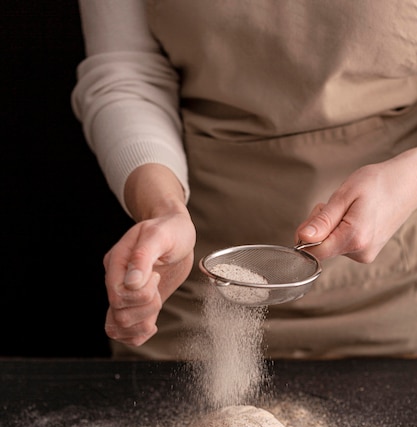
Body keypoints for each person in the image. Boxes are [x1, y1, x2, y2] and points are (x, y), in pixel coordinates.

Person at [71, 0, 417, 360]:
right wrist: (163, 208)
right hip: (196, 286)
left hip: (395, 289)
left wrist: (410, 179)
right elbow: (129, 76)